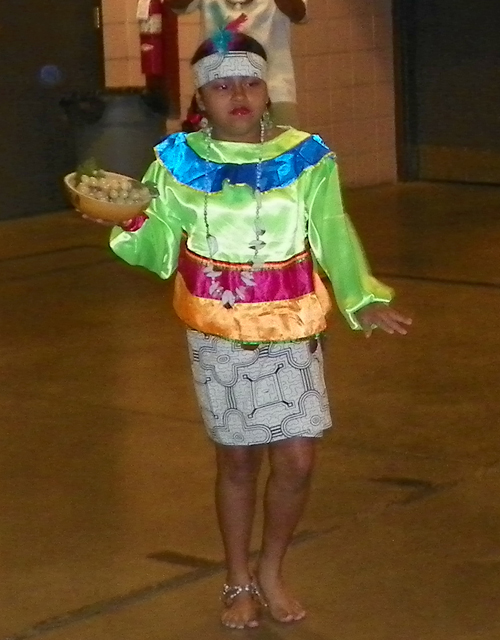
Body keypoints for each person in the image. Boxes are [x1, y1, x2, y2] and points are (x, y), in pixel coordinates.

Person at [97, 23, 412, 630]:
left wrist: (362, 297)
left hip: (292, 326)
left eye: (250, 82)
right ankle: (237, 577)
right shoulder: (176, 161)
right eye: (222, 87)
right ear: (201, 99)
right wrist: (128, 220)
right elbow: (160, 246)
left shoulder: (306, 156)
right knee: (238, 460)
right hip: (217, 330)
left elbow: (333, 230)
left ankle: (273, 567)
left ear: (267, 90)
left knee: (297, 460)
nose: (238, 95)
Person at [167, 0, 307, 127]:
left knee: (287, 150)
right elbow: (174, 4)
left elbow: (299, 13)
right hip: (218, 90)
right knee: (213, 152)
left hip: (276, 89)